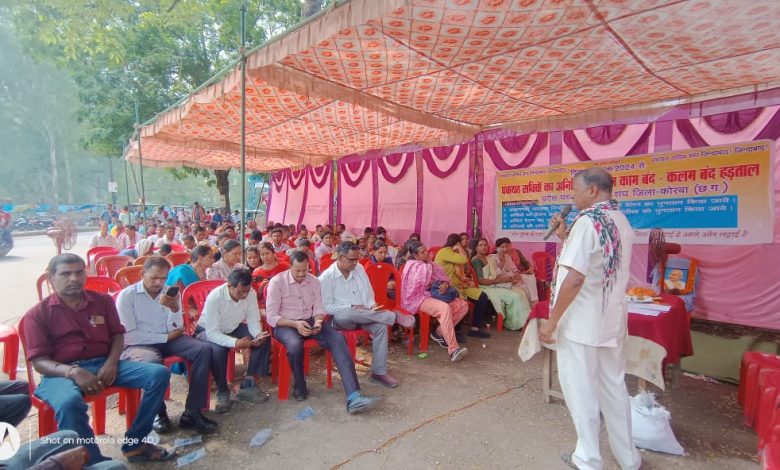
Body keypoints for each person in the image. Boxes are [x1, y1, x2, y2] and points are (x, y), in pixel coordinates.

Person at [22, 254, 175, 464]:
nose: (74, 278)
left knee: (158, 373)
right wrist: (73, 372)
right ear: (50, 278)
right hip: (60, 373)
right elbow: (39, 361)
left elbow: (117, 335)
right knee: (68, 402)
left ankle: (136, 443)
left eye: (79, 272)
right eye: (66, 274)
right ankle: (92, 461)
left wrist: (111, 362)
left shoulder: (102, 301)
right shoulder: (37, 314)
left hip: (103, 363)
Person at [538, 167, 640, 470]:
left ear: (593, 190)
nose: (573, 196)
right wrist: (564, 236)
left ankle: (588, 460)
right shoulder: (619, 219)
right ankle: (628, 458)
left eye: (576, 190)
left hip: (581, 323)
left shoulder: (587, 222)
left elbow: (575, 278)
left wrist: (552, 321)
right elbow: (597, 260)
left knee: (580, 391)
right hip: (610, 321)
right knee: (613, 388)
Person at [266, 251, 381, 412]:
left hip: (310, 321)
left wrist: (319, 322)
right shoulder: (277, 282)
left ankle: (354, 396)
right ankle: (300, 385)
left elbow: (320, 308)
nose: (302, 274)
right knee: (294, 346)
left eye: (305, 270)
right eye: (297, 271)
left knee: (338, 339)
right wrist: (295, 324)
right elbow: (271, 316)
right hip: (285, 324)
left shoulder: (313, 281)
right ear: (289, 266)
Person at [116, 257, 218, 435]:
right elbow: (129, 335)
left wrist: (174, 310)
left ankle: (193, 411)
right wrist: (165, 337)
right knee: (151, 363)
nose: (158, 283)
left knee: (203, 350)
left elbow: (177, 327)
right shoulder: (127, 296)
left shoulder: (170, 292)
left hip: (169, 339)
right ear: (142, 274)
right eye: (154, 278)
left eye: (163, 278)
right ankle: (159, 412)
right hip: (140, 344)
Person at [319, 242, 415, 388]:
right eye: (351, 260)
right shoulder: (326, 278)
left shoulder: (358, 268)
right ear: (340, 257)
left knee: (380, 327)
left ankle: (378, 373)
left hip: (365, 314)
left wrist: (372, 305)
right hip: (341, 318)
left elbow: (368, 292)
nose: (355, 263)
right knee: (349, 312)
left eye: (356, 259)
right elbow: (327, 307)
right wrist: (351, 306)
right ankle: (393, 317)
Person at [198, 269, 271, 413]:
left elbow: (253, 319)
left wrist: (257, 334)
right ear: (229, 286)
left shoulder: (250, 293)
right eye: (241, 292)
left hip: (233, 327)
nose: (244, 295)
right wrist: (236, 343)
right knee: (218, 350)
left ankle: (248, 384)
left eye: (247, 291)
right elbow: (212, 333)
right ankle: (222, 392)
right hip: (207, 330)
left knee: (264, 339)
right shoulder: (216, 297)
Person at [400, 241, 469, 362]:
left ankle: (439, 332)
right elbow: (418, 285)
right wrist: (429, 269)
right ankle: (453, 349)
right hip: (416, 299)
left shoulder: (429, 264)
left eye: (426, 250)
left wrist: (444, 284)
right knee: (444, 308)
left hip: (431, 294)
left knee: (463, 306)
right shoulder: (413, 266)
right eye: (423, 252)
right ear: (415, 255)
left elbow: (443, 278)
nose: (427, 253)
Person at [434, 234, 491, 338]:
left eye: (466, 240)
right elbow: (464, 260)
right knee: (461, 304)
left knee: (482, 297)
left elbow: (462, 269)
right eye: (462, 241)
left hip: (460, 284)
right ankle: (456, 330)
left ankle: (475, 328)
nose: (465, 242)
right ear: (457, 243)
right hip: (448, 286)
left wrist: (466, 278)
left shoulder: (456, 252)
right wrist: (460, 248)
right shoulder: (445, 251)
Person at [471, 238, 530, 330]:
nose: (484, 247)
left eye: (485, 245)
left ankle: (524, 321)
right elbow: (480, 281)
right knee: (515, 296)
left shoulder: (488, 258)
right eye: (481, 245)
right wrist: (499, 281)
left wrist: (505, 279)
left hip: (494, 284)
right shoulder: (476, 260)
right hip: (485, 287)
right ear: (476, 248)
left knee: (521, 292)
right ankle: (514, 323)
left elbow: (496, 274)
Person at [493, 238, 539, 307]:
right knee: (524, 286)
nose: (505, 249)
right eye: (502, 247)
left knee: (531, 277)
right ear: (497, 248)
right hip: (503, 279)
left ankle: (534, 300)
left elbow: (514, 268)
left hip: (513, 275)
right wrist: (501, 264)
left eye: (506, 246)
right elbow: (495, 274)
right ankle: (528, 305)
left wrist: (516, 273)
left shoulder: (507, 256)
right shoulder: (493, 257)